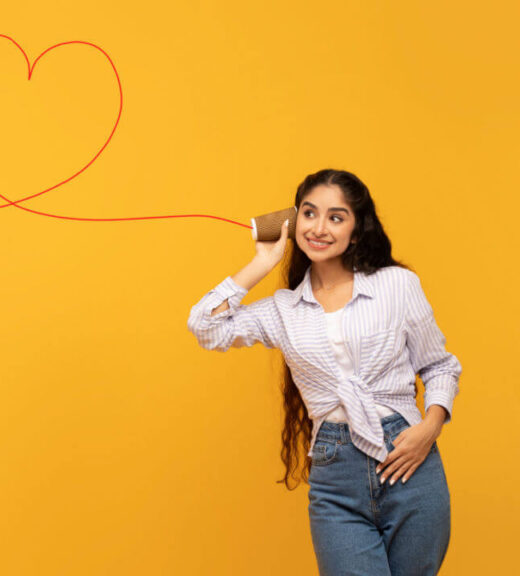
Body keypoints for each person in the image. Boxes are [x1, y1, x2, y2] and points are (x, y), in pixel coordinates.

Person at [187, 169, 460, 575]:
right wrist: (262, 262)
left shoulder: (398, 285)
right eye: (310, 214)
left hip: (408, 459)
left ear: (357, 228)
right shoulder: (283, 309)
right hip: (336, 474)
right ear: (294, 221)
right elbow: (205, 327)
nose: (319, 227)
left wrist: (430, 426)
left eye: (336, 217)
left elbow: (439, 366)